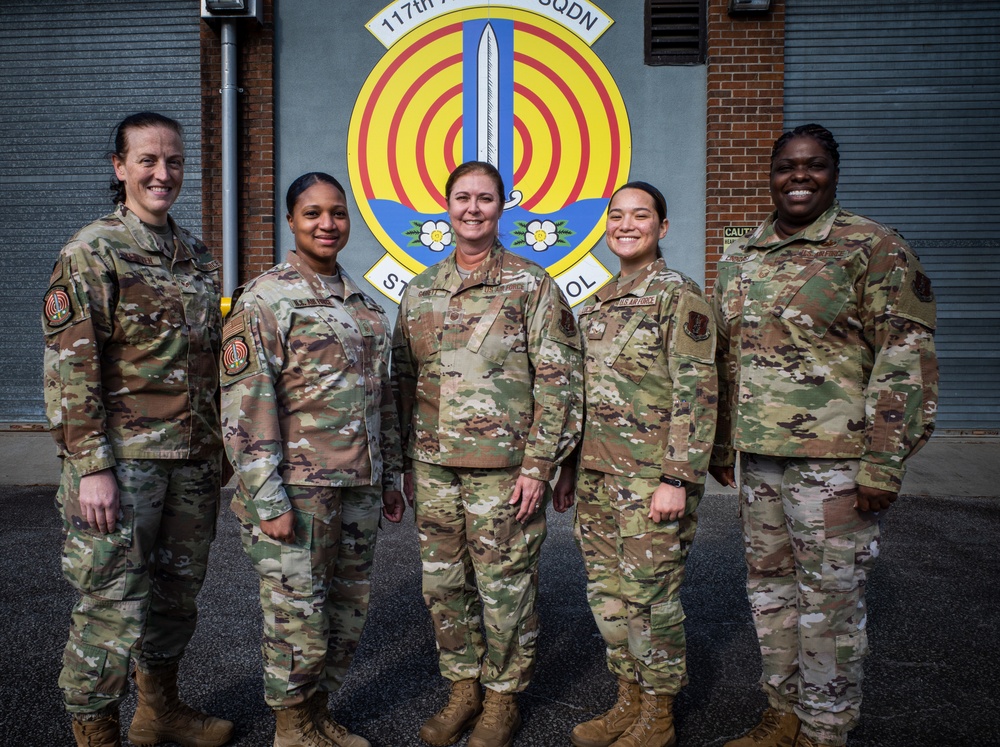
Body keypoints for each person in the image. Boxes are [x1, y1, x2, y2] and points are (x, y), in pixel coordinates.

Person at [710, 124, 938, 747]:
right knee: (771, 594)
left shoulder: (872, 247)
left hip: (834, 463)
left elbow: (904, 360)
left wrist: (884, 464)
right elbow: (730, 356)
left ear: (834, 171)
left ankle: (824, 730)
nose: (799, 177)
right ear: (772, 174)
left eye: (813, 166)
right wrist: (723, 440)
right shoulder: (744, 253)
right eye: (787, 166)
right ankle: (781, 716)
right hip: (760, 458)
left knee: (830, 605)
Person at [41, 111, 232, 747]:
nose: (162, 172)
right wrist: (90, 465)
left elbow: (208, 362)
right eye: (147, 160)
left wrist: (222, 452)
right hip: (122, 464)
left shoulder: (195, 255)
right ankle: (95, 733)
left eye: (173, 161)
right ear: (119, 167)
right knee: (109, 605)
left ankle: (161, 712)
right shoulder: (92, 249)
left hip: (192, 460)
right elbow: (72, 366)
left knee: (176, 597)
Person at [391, 160, 584, 747]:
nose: (472, 209)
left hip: (506, 471)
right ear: (445, 206)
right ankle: (462, 689)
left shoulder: (531, 285)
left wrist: (540, 465)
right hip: (433, 467)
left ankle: (503, 698)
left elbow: (559, 379)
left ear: (502, 208)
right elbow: (402, 381)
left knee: (506, 586)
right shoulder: (421, 290)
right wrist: (403, 466)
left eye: (484, 199)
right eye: (461, 198)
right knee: (444, 586)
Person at [221, 172, 404, 747]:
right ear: (291, 221)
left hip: (359, 486)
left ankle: (320, 715)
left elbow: (385, 398)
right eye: (312, 214)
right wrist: (266, 496)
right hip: (298, 490)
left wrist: (391, 475)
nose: (327, 224)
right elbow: (245, 405)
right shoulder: (266, 299)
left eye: (337, 213)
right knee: (296, 616)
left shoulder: (363, 303)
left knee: (346, 612)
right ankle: (292, 728)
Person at [554, 182, 718, 747]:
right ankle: (627, 700)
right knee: (608, 597)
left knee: (650, 600)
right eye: (616, 216)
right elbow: (581, 394)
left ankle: (659, 715)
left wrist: (678, 476)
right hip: (599, 478)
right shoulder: (598, 302)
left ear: (662, 228)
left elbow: (697, 393)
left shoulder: (680, 296)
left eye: (640, 215)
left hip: (652, 480)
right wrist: (571, 467)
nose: (627, 224)